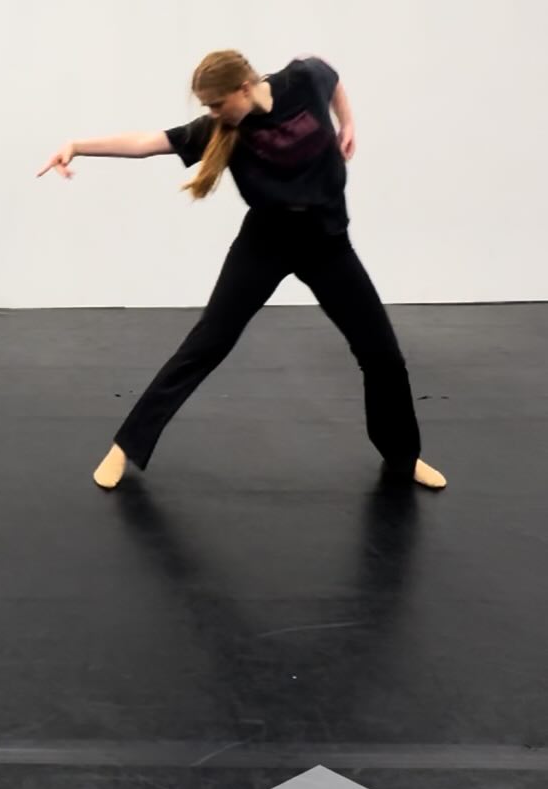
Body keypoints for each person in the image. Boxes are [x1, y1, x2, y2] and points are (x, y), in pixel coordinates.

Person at [39, 51, 445, 493]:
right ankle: (126, 445)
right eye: (207, 108)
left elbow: (333, 77)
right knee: (206, 344)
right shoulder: (220, 129)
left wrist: (347, 123)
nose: (212, 114)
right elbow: (145, 143)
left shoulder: (303, 81)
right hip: (265, 244)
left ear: (244, 88)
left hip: (326, 241)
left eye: (216, 104)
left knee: (382, 353)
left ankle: (404, 457)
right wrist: (76, 145)